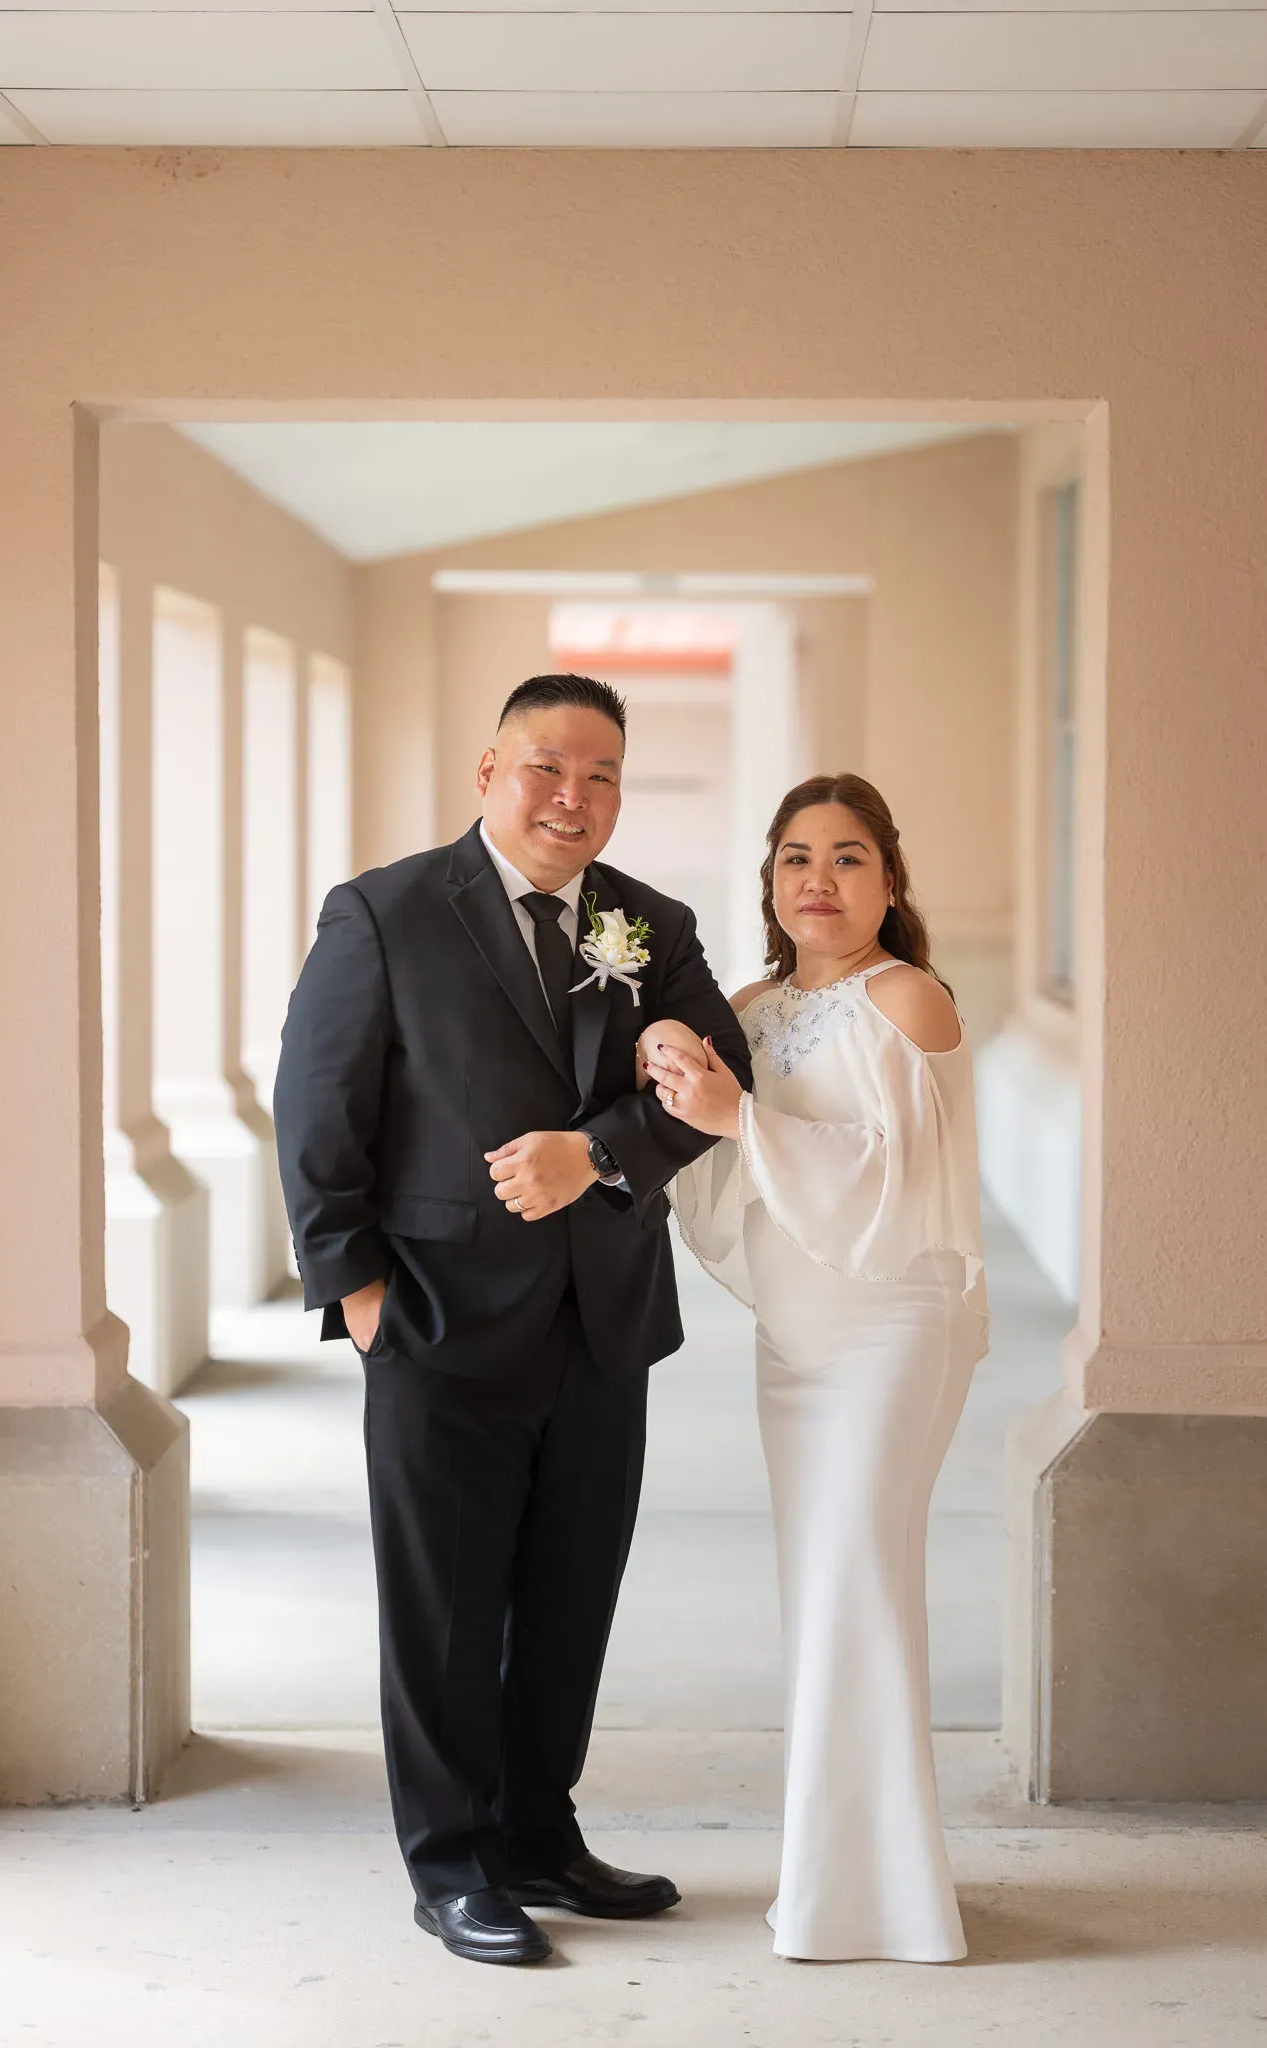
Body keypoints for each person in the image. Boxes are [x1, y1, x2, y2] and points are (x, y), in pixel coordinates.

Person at [273, 673, 752, 1968]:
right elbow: (317, 1107)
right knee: (444, 1609)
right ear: (489, 770)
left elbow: (724, 1079)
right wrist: (358, 1296)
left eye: (601, 775)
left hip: (603, 1321)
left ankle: (540, 1833)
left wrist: (594, 1154)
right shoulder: (383, 912)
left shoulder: (650, 923)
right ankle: (449, 1866)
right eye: (548, 766)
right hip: (433, 1320)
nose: (572, 797)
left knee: (567, 1597)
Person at [640, 773, 988, 1964]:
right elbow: (699, 1139)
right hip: (796, 1339)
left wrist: (739, 1116)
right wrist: (670, 1059)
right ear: (770, 880)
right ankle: (851, 1888)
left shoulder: (911, 997)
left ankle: (878, 1902)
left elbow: (894, 1170)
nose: (819, 880)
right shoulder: (751, 1004)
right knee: (826, 1597)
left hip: (892, 1327)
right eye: (797, 856)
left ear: (889, 878)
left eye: (847, 857)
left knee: (857, 1586)